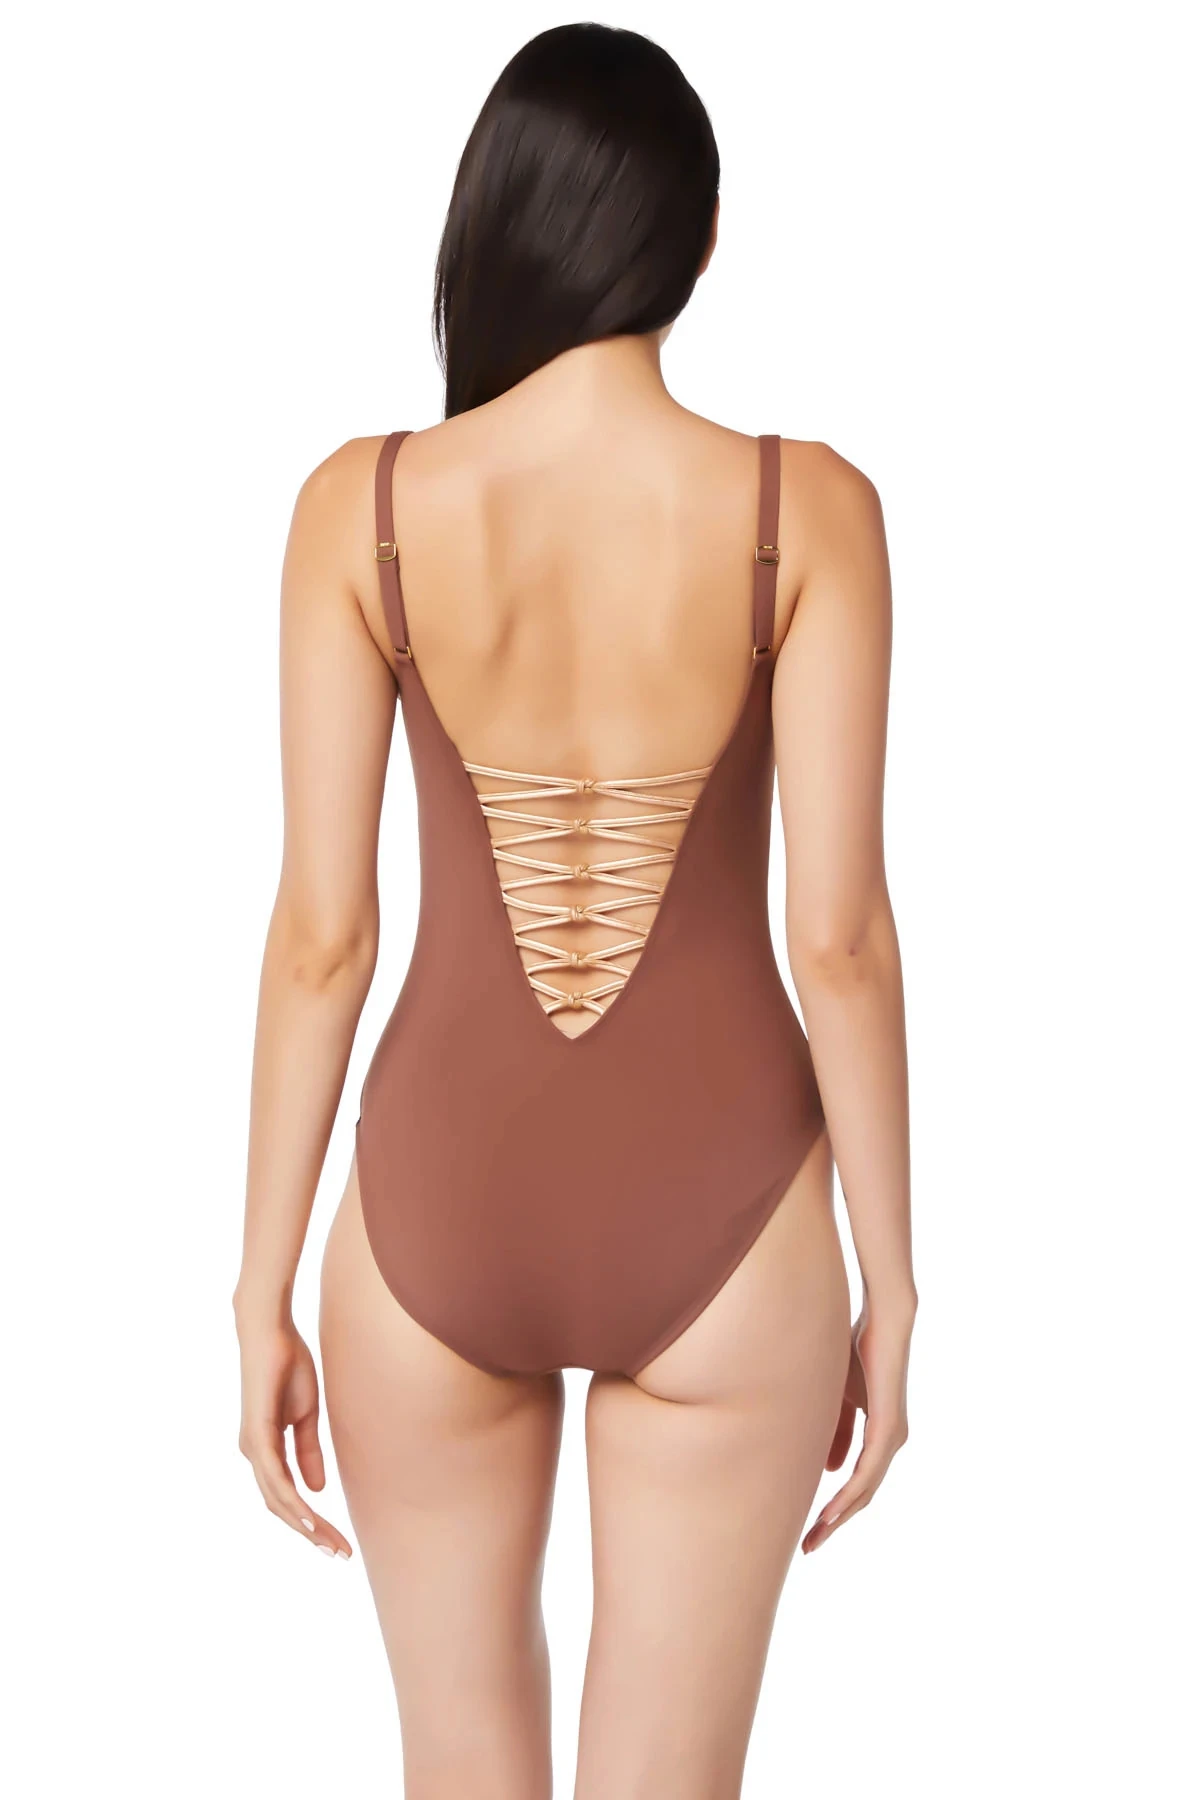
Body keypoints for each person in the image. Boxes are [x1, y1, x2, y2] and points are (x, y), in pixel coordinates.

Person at [234, 22, 916, 1798]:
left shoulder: (363, 508)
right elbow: (838, 940)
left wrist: (258, 1286)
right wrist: (897, 1283)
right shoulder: (809, 513)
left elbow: (321, 938)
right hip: (729, 1216)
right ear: (697, 239)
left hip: (434, 1209)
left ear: (496, 224)